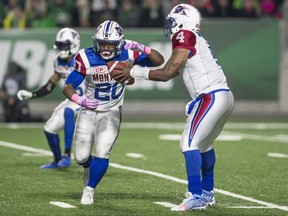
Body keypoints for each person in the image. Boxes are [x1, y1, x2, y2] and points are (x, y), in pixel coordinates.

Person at [113, 4, 235, 211]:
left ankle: (196, 195)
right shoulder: (195, 39)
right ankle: (207, 192)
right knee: (204, 146)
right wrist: (137, 72)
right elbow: (171, 71)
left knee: (188, 144)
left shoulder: (184, 34)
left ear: (182, 21)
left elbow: (169, 71)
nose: (170, 26)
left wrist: (134, 72)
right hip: (223, 96)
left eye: (172, 21)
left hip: (211, 96)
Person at [63, 20, 164, 205]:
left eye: (110, 43)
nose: (106, 47)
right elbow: (68, 86)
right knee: (80, 157)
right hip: (88, 109)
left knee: (102, 152)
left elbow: (160, 61)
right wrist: (80, 100)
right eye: (102, 43)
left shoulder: (129, 53)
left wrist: (144, 48)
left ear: (119, 43)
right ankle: (88, 167)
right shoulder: (85, 57)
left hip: (111, 111)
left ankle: (89, 189)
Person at [17, 27, 84, 169]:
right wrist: (32, 94)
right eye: (59, 45)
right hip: (72, 99)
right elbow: (51, 83)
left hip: (86, 98)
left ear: (74, 45)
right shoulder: (58, 61)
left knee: (68, 112)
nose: (61, 49)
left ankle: (67, 154)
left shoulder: (83, 59)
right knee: (49, 129)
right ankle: (57, 159)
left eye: (63, 45)